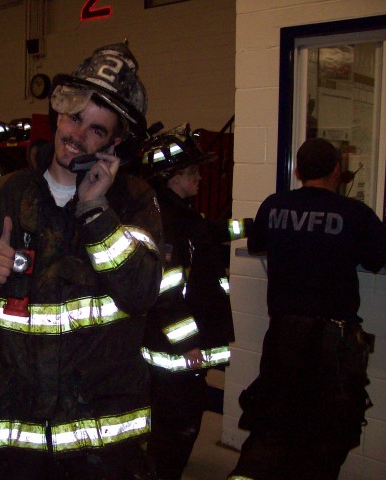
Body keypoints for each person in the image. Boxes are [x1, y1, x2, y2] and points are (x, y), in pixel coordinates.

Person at [0, 41, 163, 480]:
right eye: (75, 117)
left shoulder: (135, 201)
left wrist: (96, 212)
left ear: (115, 143)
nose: (77, 135)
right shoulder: (3, 196)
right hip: (15, 434)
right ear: (58, 112)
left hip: (101, 445)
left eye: (96, 130)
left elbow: (142, 292)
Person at [228, 137, 386, 480]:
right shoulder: (355, 213)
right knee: (327, 434)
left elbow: (258, 244)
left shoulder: (273, 205)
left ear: (297, 171)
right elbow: (378, 258)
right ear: (336, 171)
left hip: (284, 334)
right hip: (334, 342)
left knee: (272, 423)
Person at [139, 125, 251, 480]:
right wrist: (188, 342)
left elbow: (209, 232)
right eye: (191, 172)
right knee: (177, 426)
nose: (199, 178)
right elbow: (166, 290)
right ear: (171, 178)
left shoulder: (182, 215)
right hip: (177, 353)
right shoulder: (168, 223)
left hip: (181, 352)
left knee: (179, 421)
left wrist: (253, 227)